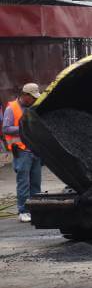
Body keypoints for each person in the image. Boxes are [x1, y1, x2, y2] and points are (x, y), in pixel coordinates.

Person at [2, 83, 42, 223]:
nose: (34, 100)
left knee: (36, 183)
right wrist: (24, 127)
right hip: (21, 151)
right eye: (32, 97)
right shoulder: (11, 108)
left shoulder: (33, 107)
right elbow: (6, 129)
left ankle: (36, 209)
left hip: (35, 150)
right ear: (25, 95)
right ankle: (23, 211)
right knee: (24, 183)